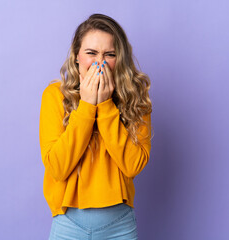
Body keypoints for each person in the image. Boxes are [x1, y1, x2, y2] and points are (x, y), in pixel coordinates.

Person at [39, 13, 153, 239]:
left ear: (119, 59)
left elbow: (133, 166)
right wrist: (87, 106)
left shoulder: (136, 98)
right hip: (68, 225)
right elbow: (57, 168)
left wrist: (106, 104)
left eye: (109, 54)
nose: (99, 63)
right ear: (77, 56)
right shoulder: (54, 96)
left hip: (119, 226)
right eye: (91, 53)